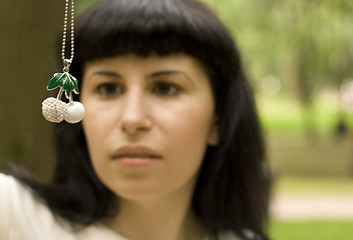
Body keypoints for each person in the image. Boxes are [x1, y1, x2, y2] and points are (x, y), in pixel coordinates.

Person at [0, 0, 271, 239]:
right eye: (108, 88)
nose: (132, 119)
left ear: (218, 118)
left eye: (166, 88)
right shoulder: (14, 216)